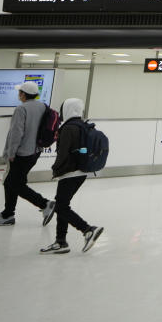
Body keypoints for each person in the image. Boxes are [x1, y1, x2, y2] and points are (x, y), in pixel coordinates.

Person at [40, 98, 104, 254]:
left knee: (61, 206)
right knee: (63, 204)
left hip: (69, 172)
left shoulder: (68, 128)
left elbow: (63, 153)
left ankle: (88, 230)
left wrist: (56, 169)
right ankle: (60, 241)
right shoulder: (82, 125)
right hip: (80, 172)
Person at [0, 81, 56, 226]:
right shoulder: (43, 106)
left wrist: (10, 153)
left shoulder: (21, 109)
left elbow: (16, 133)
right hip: (35, 151)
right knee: (12, 182)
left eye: (20, 92)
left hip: (22, 153)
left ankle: (45, 204)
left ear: (23, 94)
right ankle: (8, 214)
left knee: (14, 183)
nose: (19, 94)